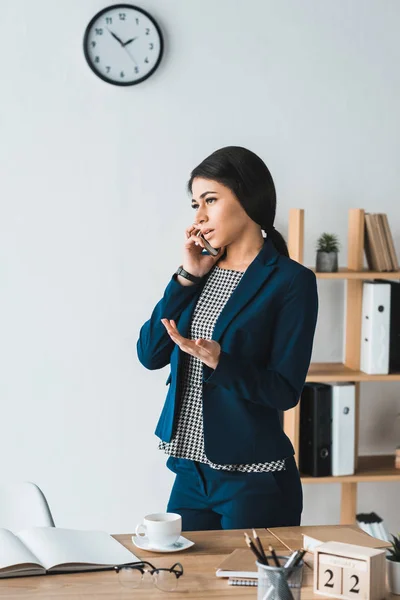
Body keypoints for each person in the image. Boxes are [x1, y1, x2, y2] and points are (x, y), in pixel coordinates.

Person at [137, 146, 318, 531]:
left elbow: (284, 391)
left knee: (248, 590)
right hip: (190, 473)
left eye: (211, 200)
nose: (200, 216)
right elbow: (150, 353)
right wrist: (187, 276)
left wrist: (220, 361)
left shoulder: (291, 282)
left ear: (248, 198)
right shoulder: (198, 273)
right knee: (183, 589)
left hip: (253, 479)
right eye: (195, 204)